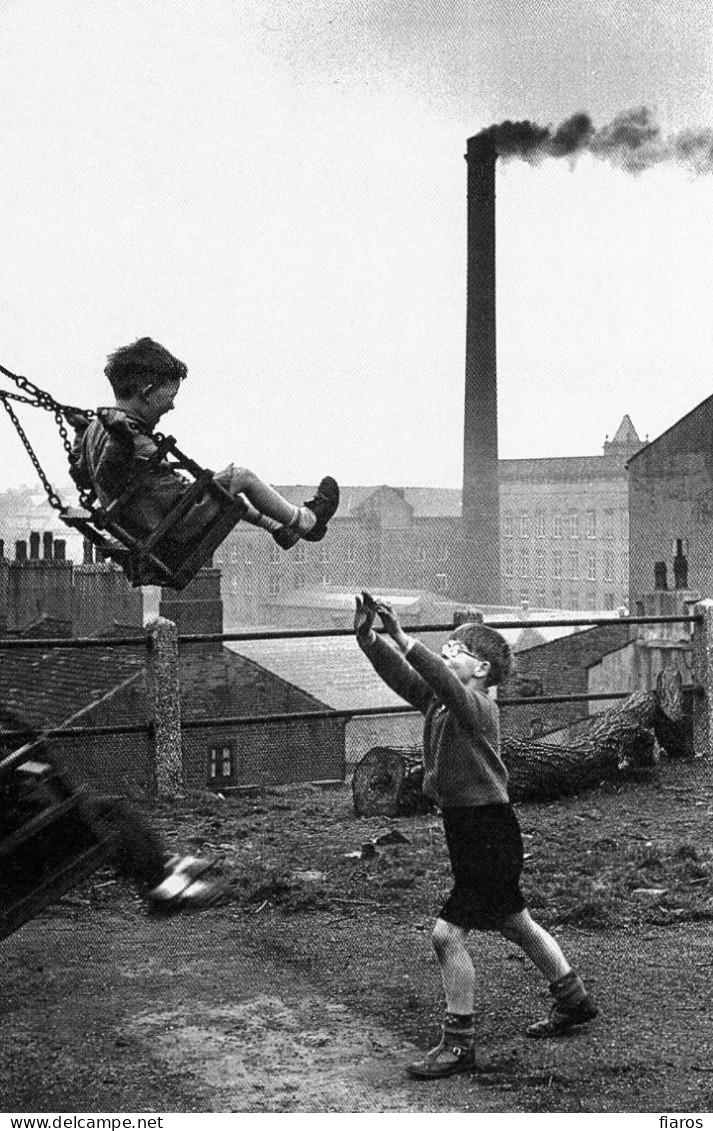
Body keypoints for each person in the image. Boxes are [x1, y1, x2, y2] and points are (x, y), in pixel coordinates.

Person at [354, 592, 598, 1080]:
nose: (446, 651)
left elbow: (439, 678)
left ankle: (459, 1043)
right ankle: (572, 999)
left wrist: (404, 637)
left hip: (488, 831)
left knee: (447, 936)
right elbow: (408, 677)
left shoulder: (479, 707)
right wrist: (369, 639)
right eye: (445, 644)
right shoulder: (441, 703)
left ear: (481, 669)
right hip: (471, 830)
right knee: (515, 922)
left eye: (456, 648)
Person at [70, 337, 339, 554]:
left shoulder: (97, 427)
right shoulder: (123, 433)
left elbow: (82, 476)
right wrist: (119, 440)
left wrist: (80, 433)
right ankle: (305, 520)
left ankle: (280, 529)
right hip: (171, 524)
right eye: (170, 395)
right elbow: (109, 476)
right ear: (147, 391)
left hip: (158, 517)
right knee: (238, 476)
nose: (173, 405)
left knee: (221, 491)